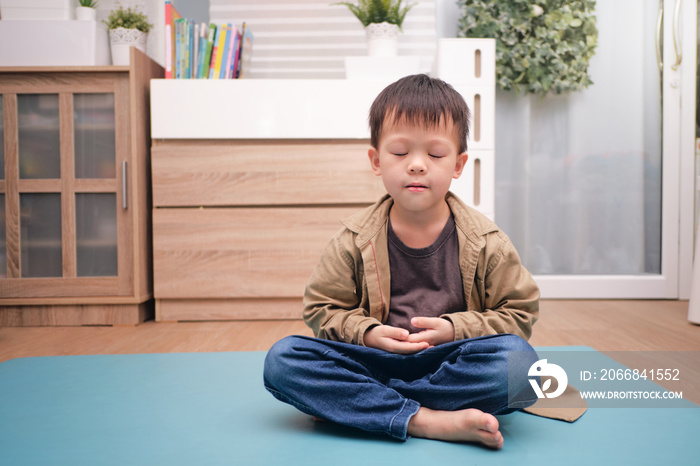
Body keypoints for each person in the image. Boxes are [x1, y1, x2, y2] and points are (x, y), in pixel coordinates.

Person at [263, 74, 540, 450]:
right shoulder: (352, 239)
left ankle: (362, 405)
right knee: (283, 360)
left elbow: (519, 313)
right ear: (376, 161)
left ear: (458, 165)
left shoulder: (487, 241)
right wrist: (367, 334)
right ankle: (427, 420)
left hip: (450, 363)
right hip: (373, 361)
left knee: (521, 367)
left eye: (436, 154)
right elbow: (321, 310)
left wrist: (454, 330)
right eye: (400, 152)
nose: (417, 165)